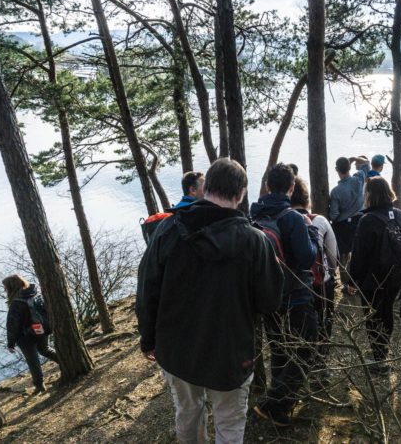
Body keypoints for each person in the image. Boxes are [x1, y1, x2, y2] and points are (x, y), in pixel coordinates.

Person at [137, 158, 283, 442]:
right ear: (240, 194)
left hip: (177, 351)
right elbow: (270, 302)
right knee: (229, 425)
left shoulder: (168, 230)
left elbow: (147, 290)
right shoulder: (256, 242)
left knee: (188, 414)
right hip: (232, 354)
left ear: (206, 189)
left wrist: (148, 339)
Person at [250, 163, 319, 426]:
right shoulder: (292, 218)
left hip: (269, 296)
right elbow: (305, 258)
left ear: (267, 185)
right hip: (297, 296)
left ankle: (279, 411)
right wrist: (311, 233)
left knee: (279, 351)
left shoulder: (254, 215)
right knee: (306, 349)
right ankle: (271, 403)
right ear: (291, 188)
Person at [348, 177, 401, 374]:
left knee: (373, 316)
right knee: (386, 312)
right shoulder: (400, 215)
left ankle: (378, 359)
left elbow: (359, 254)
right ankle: (381, 354)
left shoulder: (367, 220)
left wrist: (352, 280)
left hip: (373, 279)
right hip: (395, 275)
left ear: (370, 195)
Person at [290, 177, 339, 373]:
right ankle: (321, 365)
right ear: (306, 199)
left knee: (295, 328)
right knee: (323, 322)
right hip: (320, 284)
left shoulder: (281, 220)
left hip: (292, 285)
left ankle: (298, 366)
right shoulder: (319, 220)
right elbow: (333, 257)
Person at [3, 275, 58, 394]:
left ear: (11, 287)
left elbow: (12, 326)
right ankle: (65, 362)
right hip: (41, 329)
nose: (5, 290)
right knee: (45, 349)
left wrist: (11, 343)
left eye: (5, 287)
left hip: (25, 336)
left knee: (32, 360)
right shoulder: (35, 294)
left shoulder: (16, 303)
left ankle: (39, 386)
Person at [329, 156, 370, 286]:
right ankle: (357, 280)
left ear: (336, 169)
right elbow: (367, 164)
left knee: (344, 255)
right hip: (359, 221)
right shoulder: (358, 179)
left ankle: (346, 284)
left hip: (343, 227)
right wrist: (353, 158)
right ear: (350, 167)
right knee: (357, 252)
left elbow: (334, 215)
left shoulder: (336, 192)